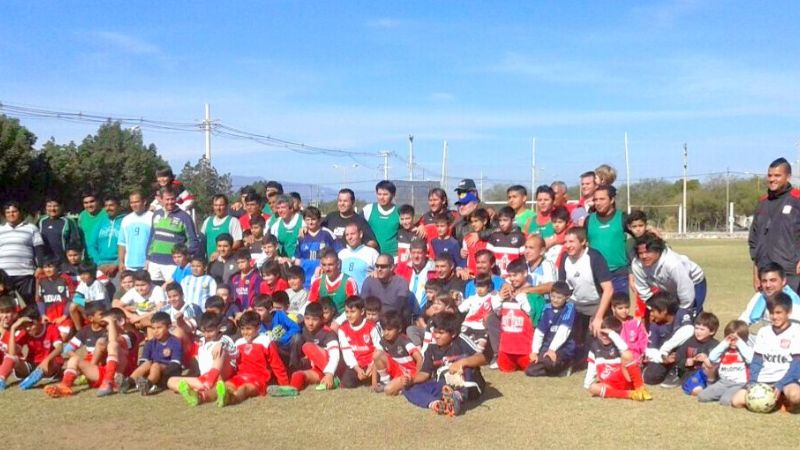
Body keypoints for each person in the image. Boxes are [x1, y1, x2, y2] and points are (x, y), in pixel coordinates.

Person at [403, 311, 493, 416]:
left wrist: (461, 362)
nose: (436, 336)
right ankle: (436, 404)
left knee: (466, 360)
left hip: (468, 385)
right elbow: (424, 374)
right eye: (435, 332)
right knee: (408, 388)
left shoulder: (461, 341)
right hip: (444, 385)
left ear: (453, 334)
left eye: (440, 333)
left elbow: (483, 358)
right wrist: (411, 380)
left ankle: (458, 396)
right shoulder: (431, 349)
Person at [731, 293, 800, 411]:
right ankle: (775, 402)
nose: (774, 316)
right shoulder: (764, 332)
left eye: (779, 313)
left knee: (795, 396)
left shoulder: (796, 331)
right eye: (772, 312)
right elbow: (757, 361)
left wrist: (780, 384)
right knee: (736, 401)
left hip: (786, 380)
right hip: (764, 379)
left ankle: (785, 400)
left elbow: (796, 365)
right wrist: (753, 383)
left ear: (788, 312)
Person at [558, 227, 613, 367]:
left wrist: (599, 317)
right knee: (565, 329)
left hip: (596, 303)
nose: (568, 245)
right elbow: (562, 288)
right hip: (575, 303)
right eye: (565, 242)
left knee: (596, 334)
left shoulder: (594, 257)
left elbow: (608, 289)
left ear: (583, 242)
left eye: (572, 241)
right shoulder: (564, 258)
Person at [216, 311, 291, 405]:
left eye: (248, 329)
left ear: (258, 328)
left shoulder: (265, 341)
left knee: (245, 389)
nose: (245, 332)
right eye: (242, 329)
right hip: (240, 377)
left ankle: (233, 398)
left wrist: (284, 385)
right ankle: (202, 396)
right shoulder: (238, 343)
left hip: (258, 380)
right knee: (227, 385)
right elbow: (234, 364)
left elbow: (277, 365)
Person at [748, 157, 800, 293]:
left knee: (792, 313)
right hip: (766, 274)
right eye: (770, 175)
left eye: (777, 175)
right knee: (770, 314)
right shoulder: (762, 203)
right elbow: (754, 242)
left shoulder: (797, 199)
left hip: (791, 272)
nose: (772, 179)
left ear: (787, 176)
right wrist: (756, 272)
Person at [168, 311, 239, 407]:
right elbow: (186, 328)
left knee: (220, 350)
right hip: (204, 378)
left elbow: (235, 354)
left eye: (210, 331)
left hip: (222, 374)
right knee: (171, 381)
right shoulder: (201, 341)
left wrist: (221, 344)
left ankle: (208, 385)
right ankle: (195, 391)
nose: (206, 334)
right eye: (204, 331)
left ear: (219, 328)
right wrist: (180, 319)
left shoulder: (224, 338)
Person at [632, 232, 707, 314]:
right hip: (669, 288)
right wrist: (654, 308)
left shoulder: (672, 263)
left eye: (648, 252)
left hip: (694, 282)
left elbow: (686, 290)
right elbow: (643, 290)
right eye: (640, 253)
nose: (644, 256)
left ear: (658, 250)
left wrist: (683, 313)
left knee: (691, 314)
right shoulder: (637, 264)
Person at [492, 258, 543, 373]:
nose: (512, 279)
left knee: (532, 370)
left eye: (515, 275)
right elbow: (497, 311)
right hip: (506, 348)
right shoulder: (506, 292)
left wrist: (521, 297)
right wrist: (499, 297)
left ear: (525, 273)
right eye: (510, 276)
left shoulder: (533, 293)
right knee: (505, 368)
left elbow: (533, 316)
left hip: (525, 349)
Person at [583, 316, 651, 401]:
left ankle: (640, 388)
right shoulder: (594, 347)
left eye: (608, 335)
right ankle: (630, 395)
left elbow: (625, 349)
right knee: (593, 387)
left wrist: (612, 334)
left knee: (627, 355)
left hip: (625, 380)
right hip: (609, 384)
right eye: (603, 333)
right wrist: (587, 384)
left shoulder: (618, 344)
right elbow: (591, 367)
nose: (605, 337)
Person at [0, 305, 64, 391]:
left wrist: (46, 360)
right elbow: (11, 353)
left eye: (31, 325)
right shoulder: (25, 332)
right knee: (10, 357)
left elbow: (60, 348)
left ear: (40, 320)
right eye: (25, 326)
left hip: (50, 366)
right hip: (31, 365)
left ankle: (37, 375)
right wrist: (13, 328)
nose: (28, 328)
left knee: (51, 363)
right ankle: (1, 380)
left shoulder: (51, 328)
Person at [145, 185, 200, 284]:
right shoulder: (156, 214)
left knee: (173, 293)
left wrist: (184, 260)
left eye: (172, 199)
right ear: (161, 200)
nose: (170, 202)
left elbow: (193, 241)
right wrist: (148, 258)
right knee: (155, 292)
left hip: (173, 264)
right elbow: (152, 237)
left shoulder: (184, 217)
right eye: (167, 199)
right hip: (154, 263)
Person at [122, 311, 183, 395]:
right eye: (153, 328)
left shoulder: (175, 342)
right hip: (152, 372)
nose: (155, 331)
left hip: (168, 375)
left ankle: (148, 384)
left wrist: (160, 373)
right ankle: (128, 382)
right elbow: (143, 362)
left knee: (155, 365)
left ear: (168, 327)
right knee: (148, 363)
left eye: (159, 328)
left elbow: (175, 365)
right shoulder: (150, 343)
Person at [643, 292, 695, 387]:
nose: (651, 314)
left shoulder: (682, 313)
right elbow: (651, 349)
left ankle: (679, 374)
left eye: (653, 311)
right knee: (650, 377)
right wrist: (663, 358)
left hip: (683, 355)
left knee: (688, 346)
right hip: (665, 358)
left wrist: (666, 348)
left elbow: (689, 330)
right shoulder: (655, 325)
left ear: (664, 311)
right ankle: (668, 371)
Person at [526, 281, 576, 377]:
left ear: (566, 297)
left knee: (548, 361)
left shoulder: (569, 307)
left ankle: (568, 364)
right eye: (553, 296)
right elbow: (539, 332)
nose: (555, 300)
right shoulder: (547, 308)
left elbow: (563, 331)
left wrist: (552, 350)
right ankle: (555, 371)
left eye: (559, 297)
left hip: (564, 347)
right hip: (548, 345)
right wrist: (535, 351)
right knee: (530, 370)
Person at [698, 320, 753, 406]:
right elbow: (712, 357)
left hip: (739, 384)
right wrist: (724, 343)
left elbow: (751, 359)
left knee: (725, 401)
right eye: (731, 339)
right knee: (702, 396)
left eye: (736, 339)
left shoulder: (746, 350)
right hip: (723, 382)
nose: (733, 341)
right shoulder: (723, 350)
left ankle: (731, 397)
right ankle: (723, 395)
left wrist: (740, 343)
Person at [0, 201, 46, 303]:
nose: (11, 214)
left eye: (14, 211)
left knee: (29, 303)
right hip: (3, 274)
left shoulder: (31, 228)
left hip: (25, 273)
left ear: (20, 212)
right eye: (8, 212)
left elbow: (39, 249)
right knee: (5, 305)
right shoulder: (0, 229)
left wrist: (40, 267)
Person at [586, 185, 628, 294]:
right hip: (596, 274)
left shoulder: (623, 218)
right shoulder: (589, 220)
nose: (598, 203)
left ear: (612, 200)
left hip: (619, 274)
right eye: (595, 199)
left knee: (619, 310)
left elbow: (639, 234)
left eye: (602, 199)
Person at [289, 302, 341, 391]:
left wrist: (330, 373)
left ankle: (335, 379)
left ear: (322, 320)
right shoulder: (303, 329)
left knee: (307, 347)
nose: (310, 323)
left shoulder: (328, 333)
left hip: (330, 369)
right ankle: (290, 390)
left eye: (314, 319)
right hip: (316, 371)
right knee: (297, 376)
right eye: (307, 318)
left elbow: (335, 354)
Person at [372, 310, 423, 395]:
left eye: (389, 329)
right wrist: (374, 382)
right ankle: (385, 381)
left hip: (408, 373)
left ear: (399, 329)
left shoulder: (404, 341)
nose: (386, 333)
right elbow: (375, 359)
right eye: (384, 329)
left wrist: (415, 378)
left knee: (388, 390)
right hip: (397, 371)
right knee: (377, 354)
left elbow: (420, 358)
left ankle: (402, 387)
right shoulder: (383, 341)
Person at [338, 296, 382, 388]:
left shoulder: (371, 326)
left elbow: (379, 348)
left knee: (379, 376)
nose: (349, 315)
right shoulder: (342, 329)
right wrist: (357, 369)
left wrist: (372, 366)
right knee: (347, 382)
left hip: (373, 364)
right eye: (346, 312)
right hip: (357, 365)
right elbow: (347, 352)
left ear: (362, 312)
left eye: (353, 312)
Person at [361, 254, 413, 327]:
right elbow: (362, 303)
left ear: (392, 267)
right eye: (377, 266)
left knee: (405, 312)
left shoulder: (401, 282)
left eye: (383, 266)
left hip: (393, 319)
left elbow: (400, 306)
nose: (379, 269)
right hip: (372, 318)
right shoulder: (369, 281)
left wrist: (380, 315)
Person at [294, 206, 338, 288]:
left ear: (319, 220)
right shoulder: (301, 236)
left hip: (323, 279)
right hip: (305, 281)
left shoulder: (327, 234)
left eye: (313, 219)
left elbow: (338, 254)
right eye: (308, 219)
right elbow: (297, 259)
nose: (310, 222)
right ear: (304, 220)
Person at [676, 312, 719, 395]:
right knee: (696, 389)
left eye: (702, 329)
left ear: (712, 331)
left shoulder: (716, 345)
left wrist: (707, 359)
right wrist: (687, 361)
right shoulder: (689, 342)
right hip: (691, 374)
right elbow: (678, 359)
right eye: (696, 328)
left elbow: (720, 364)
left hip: (709, 375)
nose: (698, 332)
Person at [308, 249, 358, 314]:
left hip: (343, 321)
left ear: (338, 264)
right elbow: (310, 304)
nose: (327, 269)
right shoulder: (317, 282)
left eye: (330, 265)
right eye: (324, 265)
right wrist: (298, 316)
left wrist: (337, 322)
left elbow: (353, 309)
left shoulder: (349, 282)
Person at [35, 256, 74, 340]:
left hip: (63, 317)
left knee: (62, 337)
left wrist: (64, 316)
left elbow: (72, 298)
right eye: (45, 267)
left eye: (50, 267)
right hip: (48, 317)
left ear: (57, 267)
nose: (47, 270)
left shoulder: (65, 278)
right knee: (40, 336)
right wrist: (43, 315)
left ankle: (72, 329)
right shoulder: (40, 279)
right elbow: (39, 299)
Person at [395, 240, 436, 317]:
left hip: (425, 315)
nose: (416, 256)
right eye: (413, 253)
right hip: (405, 315)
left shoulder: (433, 270)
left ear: (425, 254)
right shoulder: (404, 269)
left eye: (419, 253)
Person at [38, 196, 81, 264]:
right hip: (46, 263)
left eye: (55, 206)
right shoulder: (41, 221)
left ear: (61, 207)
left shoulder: (68, 221)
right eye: (49, 206)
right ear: (45, 207)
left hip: (64, 262)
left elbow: (75, 241)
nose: (52, 209)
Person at [362, 180, 400, 257]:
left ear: (393, 195)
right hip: (372, 255)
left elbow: (409, 228)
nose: (382, 197)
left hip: (393, 257)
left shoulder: (399, 211)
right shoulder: (368, 209)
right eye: (379, 194)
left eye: (385, 194)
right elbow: (357, 227)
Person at [458, 274, 496, 352]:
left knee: (479, 349)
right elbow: (460, 309)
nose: (479, 289)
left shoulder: (493, 297)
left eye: (482, 286)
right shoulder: (472, 298)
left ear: (488, 287)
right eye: (477, 286)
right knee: (461, 343)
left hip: (482, 328)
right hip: (468, 325)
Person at [118, 191, 153, 272]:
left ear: (144, 202)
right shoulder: (126, 220)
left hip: (148, 264)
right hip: (129, 265)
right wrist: (121, 262)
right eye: (131, 202)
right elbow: (122, 243)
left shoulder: (152, 217)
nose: (134, 205)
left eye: (137, 202)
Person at [200, 194, 243, 261]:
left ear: (226, 206)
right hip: (210, 263)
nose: (218, 208)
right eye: (216, 205)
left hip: (227, 263)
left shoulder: (233, 221)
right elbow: (202, 240)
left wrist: (220, 252)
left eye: (221, 205)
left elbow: (237, 242)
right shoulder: (207, 221)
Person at [338, 222, 379, 291]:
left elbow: (381, 273)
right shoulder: (341, 254)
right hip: (345, 299)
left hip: (363, 298)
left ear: (360, 234)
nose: (349, 237)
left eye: (352, 234)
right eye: (347, 235)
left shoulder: (372, 253)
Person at [69, 262, 110, 330]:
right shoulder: (83, 284)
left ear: (92, 274)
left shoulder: (97, 284)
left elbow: (99, 304)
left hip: (102, 310)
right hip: (90, 307)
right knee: (73, 306)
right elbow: (75, 298)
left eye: (85, 274)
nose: (82, 276)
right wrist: (85, 301)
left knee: (77, 304)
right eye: (81, 274)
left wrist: (87, 302)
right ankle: (79, 330)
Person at [486, 206, 525, 277]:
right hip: (496, 277)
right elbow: (488, 258)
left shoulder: (520, 237)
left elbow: (523, 259)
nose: (502, 223)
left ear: (512, 220)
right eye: (500, 220)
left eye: (505, 220)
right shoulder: (494, 236)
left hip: (513, 278)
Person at [91, 196, 124, 278]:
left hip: (119, 266)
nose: (108, 208)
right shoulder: (100, 222)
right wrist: (99, 263)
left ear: (118, 206)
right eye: (106, 206)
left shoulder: (125, 221)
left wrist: (116, 264)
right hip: (100, 266)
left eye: (111, 205)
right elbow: (92, 245)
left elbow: (129, 245)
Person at [610, 293, 647, 362]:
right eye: (620, 308)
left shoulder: (635, 322)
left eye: (626, 307)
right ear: (613, 308)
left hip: (636, 359)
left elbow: (642, 340)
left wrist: (644, 353)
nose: (624, 311)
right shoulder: (610, 324)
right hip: (616, 359)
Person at [78, 192, 108, 264]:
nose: (89, 205)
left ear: (98, 201)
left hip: (105, 259)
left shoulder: (106, 214)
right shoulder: (82, 215)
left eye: (92, 201)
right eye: (86, 203)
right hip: (88, 258)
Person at [462, 208, 490, 277]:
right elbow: (464, 259)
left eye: (476, 221)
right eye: (472, 222)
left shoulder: (492, 238)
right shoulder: (467, 238)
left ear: (485, 221)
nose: (473, 224)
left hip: (487, 277)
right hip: (471, 276)